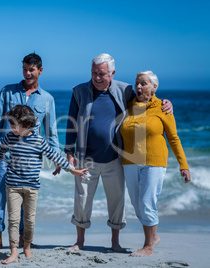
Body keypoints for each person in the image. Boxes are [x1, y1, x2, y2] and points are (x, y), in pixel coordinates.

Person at [65, 53, 173, 252]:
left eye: (102, 74)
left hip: (115, 158)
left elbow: (148, 100)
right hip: (85, 158)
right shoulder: (79, 91)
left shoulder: (125, 90)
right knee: (82, 200)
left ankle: (115, 243)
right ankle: (79, 242)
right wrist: (69, 151)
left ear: (112, 73)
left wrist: (166, 102)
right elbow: (71, 122)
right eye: (94, 73)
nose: (97, 78)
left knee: (116, 202)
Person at [0, 53, 61, 251]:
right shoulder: (8, 91)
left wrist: (57, 159)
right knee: (0, 195)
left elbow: (51, 132)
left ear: (40, 70)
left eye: (32, 70)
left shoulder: (47, 99)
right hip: (7, 155)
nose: (28, 73)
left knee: (25, 198)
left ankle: (22, 238)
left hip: (29, 158)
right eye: (25, 70)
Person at [0, 105, 88, 264]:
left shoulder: (38, 140)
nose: (12, 128)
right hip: (13, 186)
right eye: (11, 124)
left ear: (28, 125)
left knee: (29, 220)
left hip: (32, 187)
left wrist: (73, 170)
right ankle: (14, 252)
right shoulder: (10, 137)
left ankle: (27, 248)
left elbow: (54, 156)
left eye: (15, 125)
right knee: (14, 220)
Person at [120, 70, 191, 257]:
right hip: (130, 161)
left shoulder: (163, 108)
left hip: (154, 161)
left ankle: (148, 247)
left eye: (144, 83)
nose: (139, 87)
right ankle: (154, 236)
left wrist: (183, 165)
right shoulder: (127, 106)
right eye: (137, 83)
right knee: (137, 204)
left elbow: (174, 138)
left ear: (154, 87)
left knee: (146, 202)